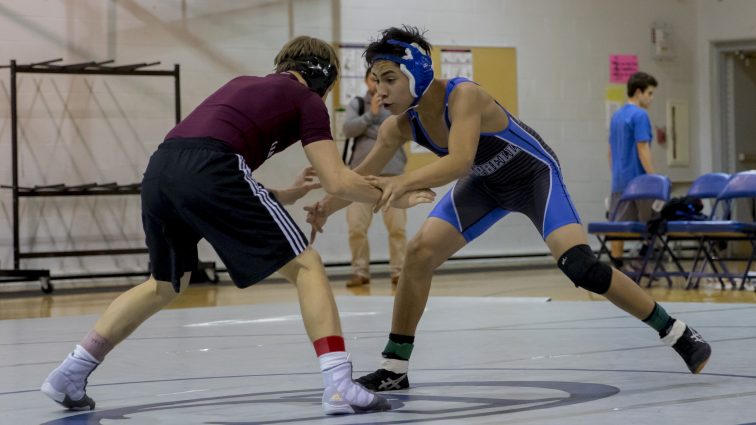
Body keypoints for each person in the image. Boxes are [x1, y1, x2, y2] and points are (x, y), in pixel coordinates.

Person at [40, 35, 436, 416]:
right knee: (307, 266)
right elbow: (336, 180)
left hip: (161, 169)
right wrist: (395, 193)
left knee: (163, 285)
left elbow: (209, 167)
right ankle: (339, 383)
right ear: (323, 78)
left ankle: (70, 373)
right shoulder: (305, 100)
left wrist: (284, 194)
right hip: (213, 168)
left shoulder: (242, 84)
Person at [306, 26, 711, 392]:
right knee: (418, 254)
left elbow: (460, 161)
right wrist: (327, 204)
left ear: (418, 73)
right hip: (484, 185)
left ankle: (677, 332)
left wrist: (404, 181)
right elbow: (358, 176)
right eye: (376, 82)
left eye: (390, 79)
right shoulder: (399, 126)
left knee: (581, 267)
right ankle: (394, 367)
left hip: (534, 177)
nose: (380, 92)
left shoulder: (464, 95)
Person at [342, 67, 408, 288]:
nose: (376, 84)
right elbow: (348, 129)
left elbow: (401, 133)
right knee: (356, 228)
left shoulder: (397, 105)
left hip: (393, 176)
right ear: (366, 81)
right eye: (372, 79)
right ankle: (360, 272)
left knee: (397, 228)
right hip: (361, 177)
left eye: (380, 80)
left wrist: (371, 129)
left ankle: (399, 272)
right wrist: (371, 114)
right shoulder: (357, 104)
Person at [608, 71, 658, 269]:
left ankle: (616, 268)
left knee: (617, 228)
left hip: (619, 181)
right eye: (650, 93)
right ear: (639, 92)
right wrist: (654, 179)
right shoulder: (640, 115)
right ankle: (644, 263)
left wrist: (616, 173)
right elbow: (642, 148)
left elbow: (610, 152)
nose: (652, 98)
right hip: (639, 183)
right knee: (652, 226)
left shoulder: (616, 116)